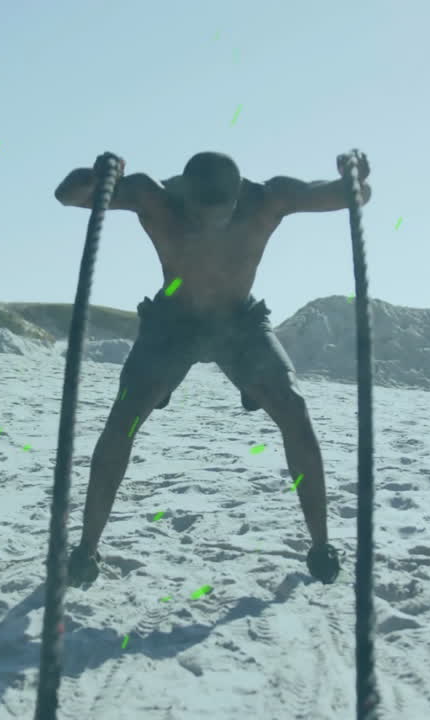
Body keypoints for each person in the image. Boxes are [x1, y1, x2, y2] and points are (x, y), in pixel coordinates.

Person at [53, 150, 371, 587]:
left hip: (240, 325)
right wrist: (100, 175)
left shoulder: (268, 199)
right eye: (199, 214)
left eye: (220, 214)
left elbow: (346, 195)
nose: (209, 224)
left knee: (294, 412)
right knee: (123, 419)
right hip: (171, 325)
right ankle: (86, 548)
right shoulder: (154, 197)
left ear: (239, 197)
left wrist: (354, 175)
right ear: (185, 194)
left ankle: (321, 544)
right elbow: (69, 196)